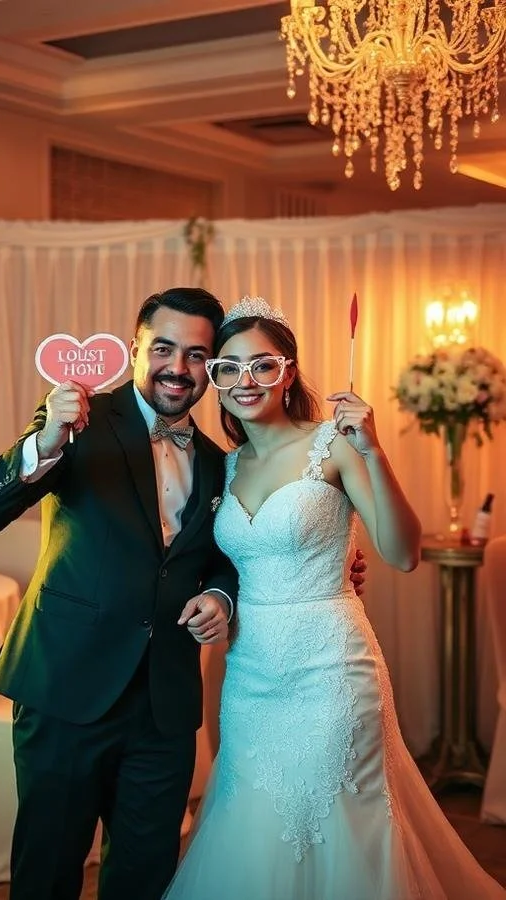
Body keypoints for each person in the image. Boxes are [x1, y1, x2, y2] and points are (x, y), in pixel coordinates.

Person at [0, 286, 367, 900]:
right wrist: (44, 442)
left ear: (215, 369)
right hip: (67, 688)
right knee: (47, 869)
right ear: (133, 350)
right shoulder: (76, 421)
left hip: (165, 705)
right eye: (164, 349)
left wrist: (224, 598)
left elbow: (230, 559)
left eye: (197, 355)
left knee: (145, 875)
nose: (178, 368)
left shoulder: (220, 459)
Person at [163, 296, 506, 900]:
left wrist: (373, 451)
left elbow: (402, 554)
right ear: (214, 378)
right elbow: (222, 562)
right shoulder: (226, 466)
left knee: (339, 820)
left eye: (262, 365)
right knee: (254, 819)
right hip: (248, 673)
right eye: (228, 368)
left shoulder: (335, 443)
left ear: (288, 371)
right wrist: (216, 601)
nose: (246, 381)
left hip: (331, 668)